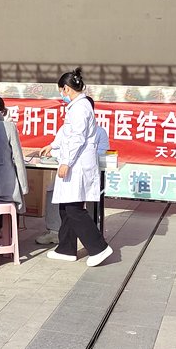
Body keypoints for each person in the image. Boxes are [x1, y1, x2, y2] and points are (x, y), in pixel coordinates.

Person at [41, 68, 113, 267]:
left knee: (74, 209)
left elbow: (77, 138)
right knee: (66, 207)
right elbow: (67, 134)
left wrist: (66, 162)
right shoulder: (76, 107)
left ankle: (99, 247)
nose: (61, 95)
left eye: (61, 91)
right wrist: (53, 146)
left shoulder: (80, 108)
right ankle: (66, 248)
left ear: (66, 88)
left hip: (77, 165)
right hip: (76, 163)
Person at [37, 96, 109, 246]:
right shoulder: (66, 127)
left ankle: (92, 238)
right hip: (67, 172)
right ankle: (56, 233)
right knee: (58, 198)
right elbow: (57, 145)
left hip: (83, 173)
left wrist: (65, 157)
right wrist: (52, 150)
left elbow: (100, 152)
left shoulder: (99, 131)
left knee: (77, 207)